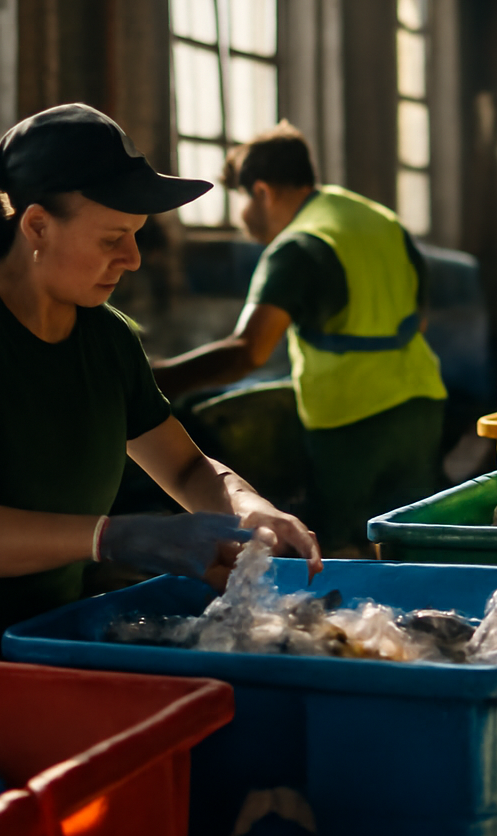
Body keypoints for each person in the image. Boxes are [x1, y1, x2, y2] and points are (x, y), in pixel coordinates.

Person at [0, 104, 321, 659]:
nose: (133, 259)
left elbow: (187, 466)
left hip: (41, 640)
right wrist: (111, 536)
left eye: (137, 236)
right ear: (38, 227)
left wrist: (247, 505)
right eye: (112, 238)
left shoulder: (107, 339)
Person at [153, 122, 447, 553]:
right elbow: (419, 319)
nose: (242, 219)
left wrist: (155, 381)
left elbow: (247, 353)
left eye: (240, 201)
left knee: (345, 549)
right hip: (422, 406)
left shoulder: (298, 248)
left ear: (262, 192)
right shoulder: (379, 219)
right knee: (412, 541)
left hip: (351, 421)